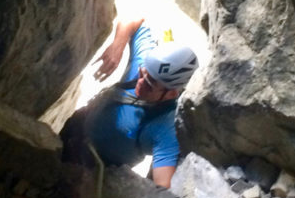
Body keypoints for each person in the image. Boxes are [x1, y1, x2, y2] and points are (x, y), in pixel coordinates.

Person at [64, 19, 199, 188]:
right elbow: (135, 22)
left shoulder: (165, 127)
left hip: (96, 169)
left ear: (171, 93)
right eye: (141, 74)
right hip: (77, 127)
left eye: (149, 85)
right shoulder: (147, 64)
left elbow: (163, 184)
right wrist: (117, 47)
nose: (140, 83)